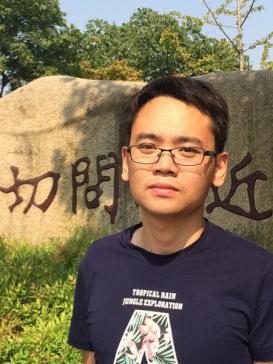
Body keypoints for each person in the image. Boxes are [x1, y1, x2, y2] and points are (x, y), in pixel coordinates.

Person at [68, 76, 273, 364]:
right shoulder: (99, 261)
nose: (164, 165)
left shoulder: (258, 273)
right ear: (126, 162)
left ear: (219, 168)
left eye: (188, 150)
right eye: (148, 147)